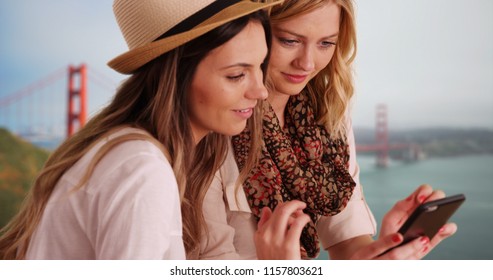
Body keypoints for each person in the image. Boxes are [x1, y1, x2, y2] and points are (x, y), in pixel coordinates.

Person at [0, 0, 303, 260]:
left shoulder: (129, 153)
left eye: (259, 67)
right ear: (177, 76)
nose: (261, 91)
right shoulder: (142, 170)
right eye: (236, 75)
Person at [200, 0, 457, 260]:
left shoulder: (328, 114)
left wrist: (386, 249)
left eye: (326, 43)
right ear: (253, 31)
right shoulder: (213, 122)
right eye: (290, 41)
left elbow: (347, 245)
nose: (308, 63)